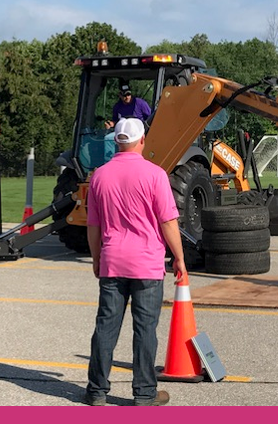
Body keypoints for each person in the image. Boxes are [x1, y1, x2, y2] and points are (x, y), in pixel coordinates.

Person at [84, 117, 187, 406]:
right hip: (146, 262)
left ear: (116, 140)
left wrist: (96, 258)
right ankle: (144, 392)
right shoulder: (155, 175)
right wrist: (178, 257)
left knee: (106, 325)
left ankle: (96, 390)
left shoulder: (99, 176)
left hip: (112, 259)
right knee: (144, 329)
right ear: (142, 140)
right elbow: (168, 221)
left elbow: (93, 225)